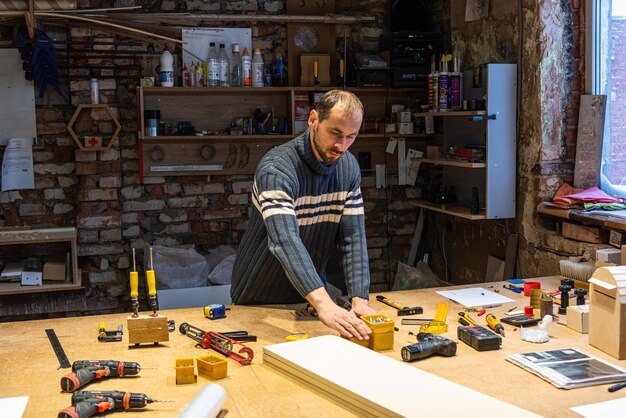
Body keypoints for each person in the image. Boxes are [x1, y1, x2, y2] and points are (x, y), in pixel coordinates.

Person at [231, 90, 376, 340]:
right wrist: (325, 304)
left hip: (310, 299)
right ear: (313, 120)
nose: (341, 146)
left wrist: (359, 298)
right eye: (335, 133)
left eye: (351, 136)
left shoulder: (349, 168)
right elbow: (285, 241)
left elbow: (353, 239)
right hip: (260, 298)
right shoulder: (276, 170)